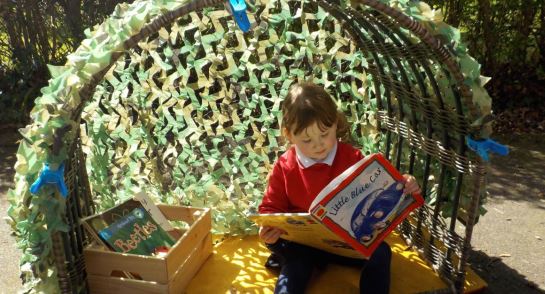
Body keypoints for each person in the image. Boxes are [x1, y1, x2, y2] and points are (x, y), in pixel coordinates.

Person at [258, 82, 421, 294]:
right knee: (294, 269)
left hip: (347, 245)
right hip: (304, 248)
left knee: (381, 253)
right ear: (289, 135)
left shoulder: (353, 158)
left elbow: (384, 189)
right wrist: (268, 229)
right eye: (306, 140)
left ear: (335, 123)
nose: (318, 145)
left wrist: (406, 184)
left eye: (325, 134)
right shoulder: (285, 165)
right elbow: (270, 209)